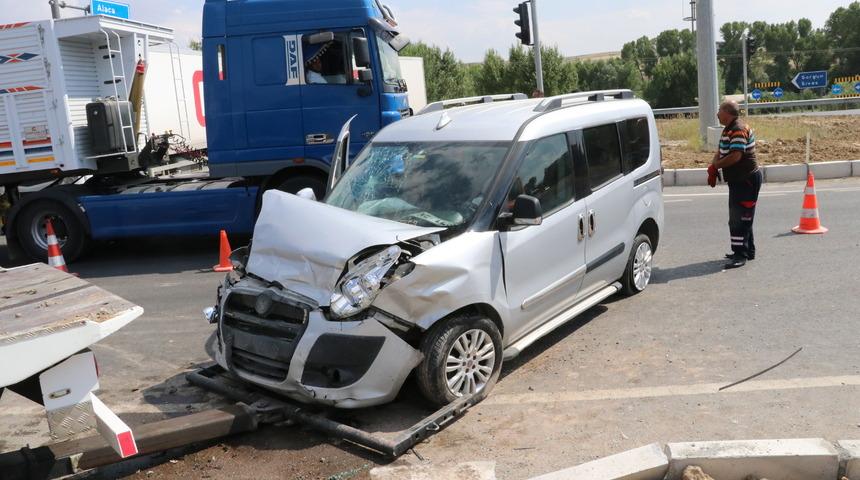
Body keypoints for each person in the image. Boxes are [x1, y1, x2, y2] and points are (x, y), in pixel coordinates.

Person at [711, 100, 762, 269]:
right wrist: (713, 166)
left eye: (719, 110)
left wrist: (716, 166)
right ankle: (748, 250)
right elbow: (721, 151)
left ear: (727, 112)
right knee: (743, 217)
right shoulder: (729, 128)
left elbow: (735, 156)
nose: (717, 114)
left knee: (740, 219)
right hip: (740, 180)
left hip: (746, 180)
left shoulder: (738, 129)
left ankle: (741, 255)